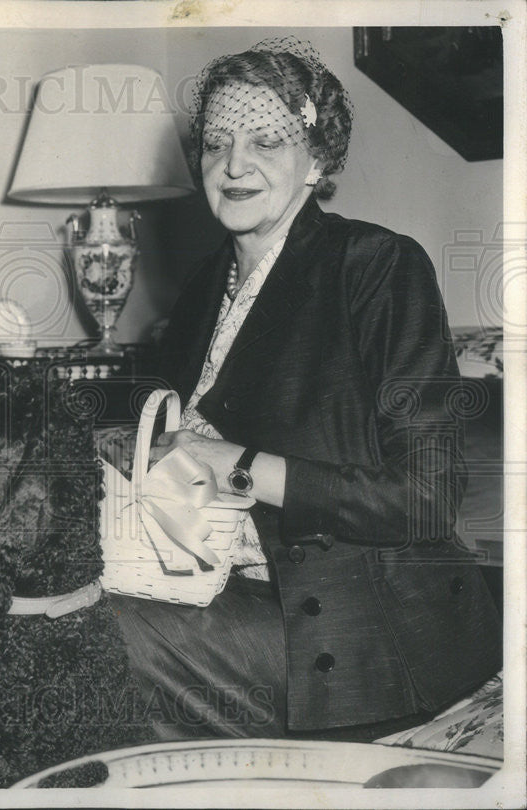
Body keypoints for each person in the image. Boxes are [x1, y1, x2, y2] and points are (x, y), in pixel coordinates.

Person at [111, 38, 502, 741]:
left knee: (94, 638)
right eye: (216, 142)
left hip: (363, 638)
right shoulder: (203, 289)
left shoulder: (378, 266)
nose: (234, 165)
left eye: (266, 141)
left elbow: (426, 497)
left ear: (316, 161)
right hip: (220, 586)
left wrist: (235, 463)